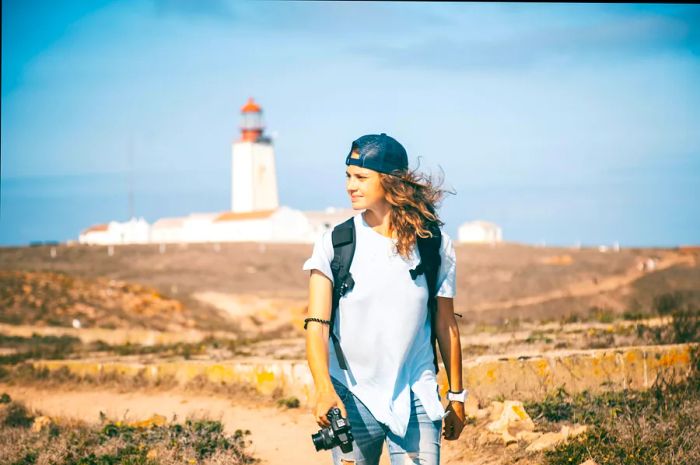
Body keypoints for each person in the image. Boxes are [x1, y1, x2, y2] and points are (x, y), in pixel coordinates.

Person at [303, 133, 466, 465]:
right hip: (351, 393)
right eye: (348, 175)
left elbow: (446, 323)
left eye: (361, 177)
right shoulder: (335, 243)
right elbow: (316, 326)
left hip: (416, 392)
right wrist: (323, 388)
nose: (351, 185)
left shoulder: (433, 244)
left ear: (391, 182)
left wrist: (457, 396)